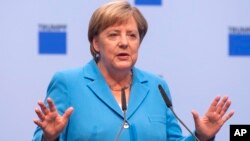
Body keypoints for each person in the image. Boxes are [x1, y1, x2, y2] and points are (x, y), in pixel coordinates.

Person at [32, 1, 234, 141]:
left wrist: (201, 136)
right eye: (113, 35)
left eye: (132, 35)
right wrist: (50, 137)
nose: (124, 43)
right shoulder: (68, 83)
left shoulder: (157, 86)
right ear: (95, 43)